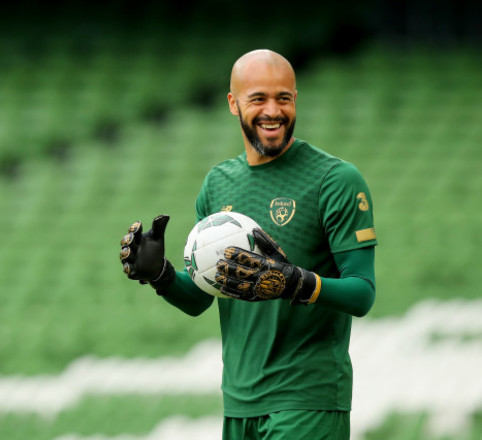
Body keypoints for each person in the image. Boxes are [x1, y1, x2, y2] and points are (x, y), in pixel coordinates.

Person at [119, 49, 377, 440]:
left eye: (283, 98)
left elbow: (362, 293)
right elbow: (201, 298)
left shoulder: (336, 180)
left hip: (307, 401)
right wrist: (161, 275)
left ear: (295, 100)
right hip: (238, 403)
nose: (272, 111)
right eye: (258, 98)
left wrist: (296, 282)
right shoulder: (217, 184)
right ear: (233, 103)